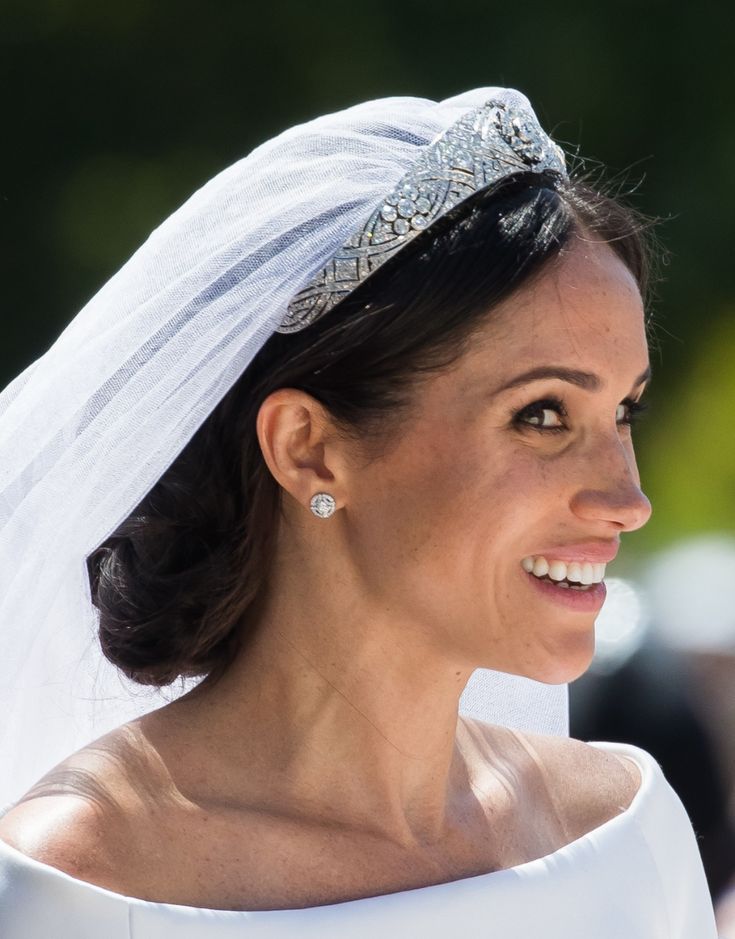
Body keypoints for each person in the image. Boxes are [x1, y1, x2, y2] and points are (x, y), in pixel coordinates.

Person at [0, 88, 718, 937]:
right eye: (543, 414)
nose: (627, 501)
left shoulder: (629, 833)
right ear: (310, 447)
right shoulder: (75, 888)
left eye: (623, 413)